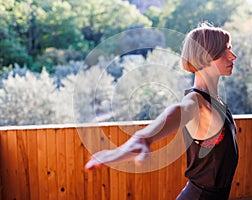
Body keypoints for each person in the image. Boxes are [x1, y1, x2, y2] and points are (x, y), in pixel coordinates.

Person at [85, 22, 239, 200]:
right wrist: (145, 137)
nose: (233, 56)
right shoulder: (196, 101)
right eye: (226, 50)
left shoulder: (215, 102)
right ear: (206, 56)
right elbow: (178, 111)